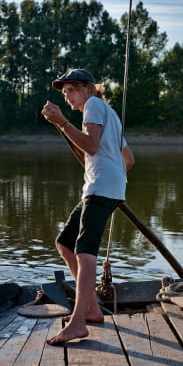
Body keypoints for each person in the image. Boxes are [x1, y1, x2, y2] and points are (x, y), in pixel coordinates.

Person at [41, 68, 135, 345]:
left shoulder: (93, 106)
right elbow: (128, 159)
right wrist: (112, 175)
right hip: (104, 187)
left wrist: (60, 122)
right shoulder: (110, 113)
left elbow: (91, 147)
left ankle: (78, 322)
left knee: (85, 251)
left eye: (72, 90)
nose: (67, 95)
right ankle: (92, 308)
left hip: (100, 189)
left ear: (89, 90)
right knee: (65, 243)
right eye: (65, 91)